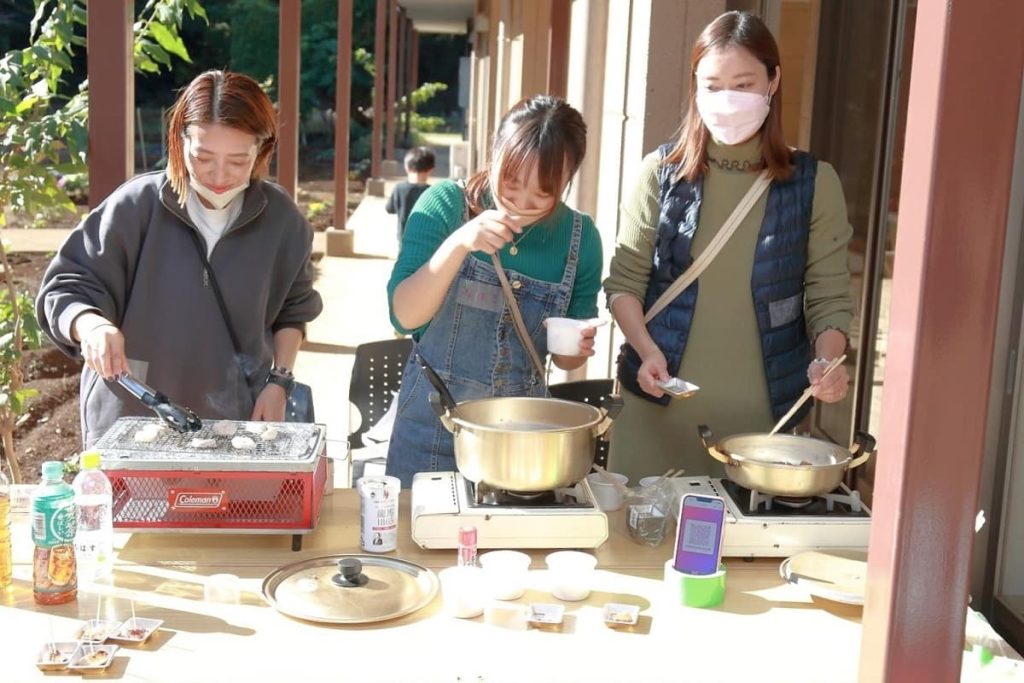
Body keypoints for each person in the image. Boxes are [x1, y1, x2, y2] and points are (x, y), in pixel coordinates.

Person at [604, 11, 855, 483]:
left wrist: (827, 359)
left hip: (759, 428)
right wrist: (646, 349)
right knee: (634, 549)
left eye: (743, 84)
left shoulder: (814, 182)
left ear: (773, 81)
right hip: (654, 407)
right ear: (695, 86)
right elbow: (624, 282)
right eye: (713, 85)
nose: (727, 100)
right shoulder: (659, 173)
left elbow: (830, 297)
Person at [36, 70, 323, 447]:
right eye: (202, 156)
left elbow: (293, 310)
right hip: (131, 418)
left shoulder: (283, 220)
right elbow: (65, 289)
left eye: (238, 161)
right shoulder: (136, 206)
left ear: (262, 149)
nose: (219, 175)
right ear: (179, 140)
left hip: (235, 425)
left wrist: (279, 382)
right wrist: (90, 326)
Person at [385, 95, 604, 487]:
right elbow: (404, 316)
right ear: (494, 152)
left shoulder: (581, 238)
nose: (521, 203)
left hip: (524, 438)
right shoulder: (446, 205)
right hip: (432, 425)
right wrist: (460, 242)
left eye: (543, 194)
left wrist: (578, 348)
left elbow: (566, 361)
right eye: (511, 182)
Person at [385, 146, 435, 242]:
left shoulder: (399, 189)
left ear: (406, 167)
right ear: (431, 170)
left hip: (404, 238)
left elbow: (389, 209)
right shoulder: (432, 192)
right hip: (426, 240)